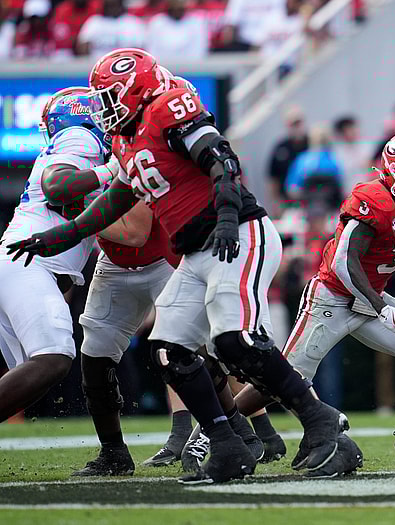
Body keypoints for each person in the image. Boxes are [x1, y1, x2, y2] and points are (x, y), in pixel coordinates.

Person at [6, 48, 358, 484]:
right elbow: (115, 201)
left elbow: (222, 159)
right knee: (168, 349)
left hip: (237, 233)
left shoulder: (166, 110)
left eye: (111, 96)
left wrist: (229, 217)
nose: (105, 108)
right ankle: (226, 443)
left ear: (136, 90)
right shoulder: (123, 141)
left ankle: (321, 422)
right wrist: (59, 235)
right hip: (195, 251)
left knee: (235, 340)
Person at [233, 132, 395, 466]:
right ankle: (213, 427)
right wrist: (381, 308)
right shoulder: (373, 198)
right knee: (282, 381)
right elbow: (343, 262)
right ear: (392, 172)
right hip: (332, 296)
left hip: (370, 298)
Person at [0, 87, 140, 423]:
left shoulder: (78, 144)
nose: (111, 120)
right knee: (54, 358)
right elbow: (57, 187)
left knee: (40, 370)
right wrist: (111, 172)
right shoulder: (80, 137)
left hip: (28, 265)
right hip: (28, 263)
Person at [268, 105, 309, 208]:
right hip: (287, 201)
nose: (297, 127)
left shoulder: (312, 144)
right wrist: (276, 202)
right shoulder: (281, 149)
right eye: (293, 124)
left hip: (310, 200)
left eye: (299, 122)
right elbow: (274, 178)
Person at [76, 0, 145, 57]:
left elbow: (139, 51)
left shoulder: (133, 22)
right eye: (109, 6)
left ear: (121, 4)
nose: (112, 8)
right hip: (97, 64)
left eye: (114, 5)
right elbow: (82, 47)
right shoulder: (95, 21)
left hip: (125, 64)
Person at [333, 115, 373, 195]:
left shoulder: (367, 147)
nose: (352, 131)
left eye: (353, 128)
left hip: (368, 192)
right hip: (348, 193)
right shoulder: (337, 153)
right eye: (348, 130)